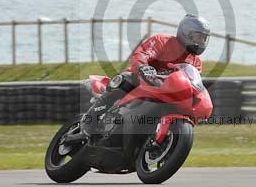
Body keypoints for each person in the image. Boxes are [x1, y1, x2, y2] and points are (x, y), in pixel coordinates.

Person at [81, 14, 211, 134]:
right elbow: (142, 53)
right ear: (185, 33)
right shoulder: (162, 41)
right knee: (124, 80)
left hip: (166, 91)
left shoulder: (195, 61)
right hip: (142, 80)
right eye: (198, 37)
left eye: (204, 38)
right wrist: (143, 67)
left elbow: (192, 80)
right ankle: (90, 119)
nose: (201, 42)